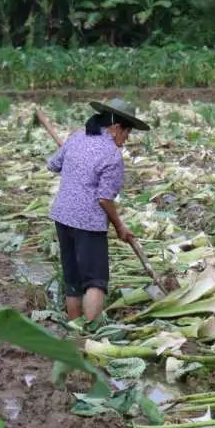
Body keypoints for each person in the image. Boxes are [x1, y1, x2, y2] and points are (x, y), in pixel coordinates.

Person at [47, 98, 150, 325]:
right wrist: (120, 225)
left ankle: (74, 328)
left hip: (63, 216)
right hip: (88, 222)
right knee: (96, 281)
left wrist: (73, 160)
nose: (126, 139)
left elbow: (53, 165)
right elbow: (104, 199)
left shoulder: (75, 138)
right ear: (115, 128)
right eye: (127, 133)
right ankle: (90, 332)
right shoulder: (111, 155)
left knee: (72, 277)